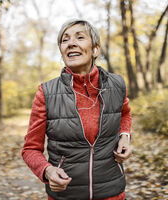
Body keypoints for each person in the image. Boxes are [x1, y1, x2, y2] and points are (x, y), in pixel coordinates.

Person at [22, 19, 132, 200]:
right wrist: (47, 171)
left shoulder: (117, 84)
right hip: (66, 195)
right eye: (65, 40)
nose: (71, 43)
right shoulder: (46, 92)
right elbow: (30, 149)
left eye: (80, 37)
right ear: (62, 51)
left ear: (95, 49)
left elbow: (125, 113)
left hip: (112, 192)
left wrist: (125, 136)